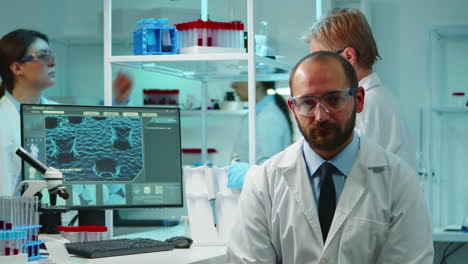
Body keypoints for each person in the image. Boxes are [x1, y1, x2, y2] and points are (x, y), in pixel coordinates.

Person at [225, 51, 433, 263]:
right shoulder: (264, 182)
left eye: (334, 100)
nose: (321, 115)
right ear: (293, 109)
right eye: (307, 103)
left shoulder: (398, 181)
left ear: (359, 100)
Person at [0, 29, 133, 196]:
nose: (52, 63)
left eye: (51, 57)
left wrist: (120, 103)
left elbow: (102, 153)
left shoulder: (61, 114)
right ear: (17, 68)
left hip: (57, 216)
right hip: (11, 218)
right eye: (43, 56)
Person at [304, 8, 417, 170]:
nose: (317, 70)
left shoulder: (369, 103)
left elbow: (351, 169)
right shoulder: (376, 97)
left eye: (322, 61)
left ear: (348, 57)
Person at [230, 81, 292, 164]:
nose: (233, 85)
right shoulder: (261, 113)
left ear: (256, 81)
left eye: (240, 77)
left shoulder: (269, 117)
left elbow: (268, 166)